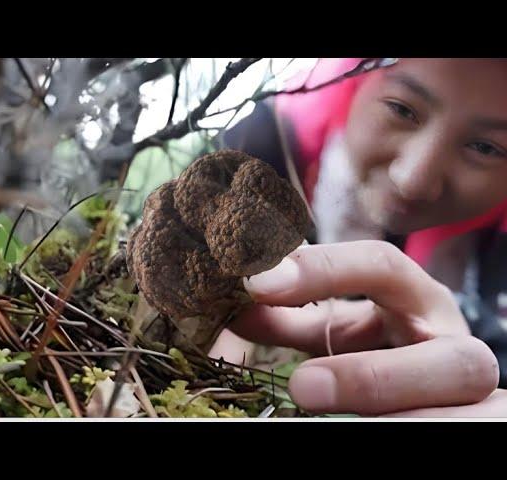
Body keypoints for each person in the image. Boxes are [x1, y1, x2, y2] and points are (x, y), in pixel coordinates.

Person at [211, 58, 507, 416]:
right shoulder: (263, 146)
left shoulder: (496, 253)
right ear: (351, 82)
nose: (411, 180)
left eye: (487, 148)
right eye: (401, 109)